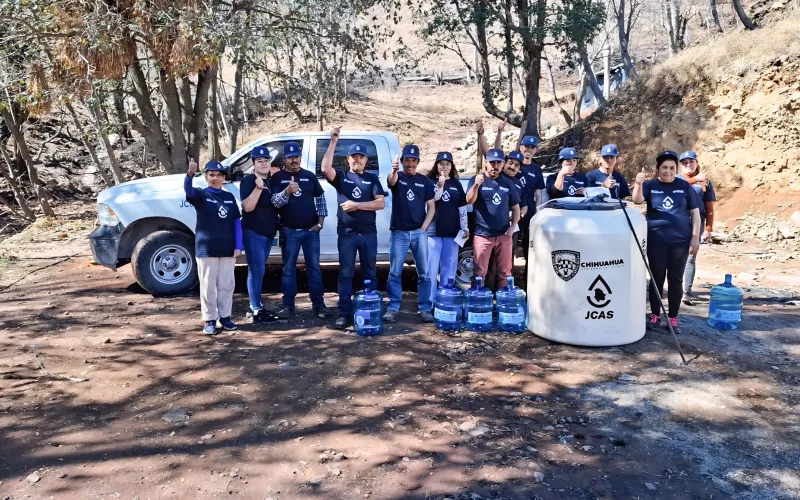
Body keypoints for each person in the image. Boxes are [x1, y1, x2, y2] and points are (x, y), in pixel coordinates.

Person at [320, 128, 386, 329]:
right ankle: (344, 312)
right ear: (348, 159)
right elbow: (325, 168)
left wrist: (357, 205)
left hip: (368, 234)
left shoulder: (373, 179)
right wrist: (333, 143)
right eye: (354, 157)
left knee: (370, 273)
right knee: (346, 274)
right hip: (347, 235)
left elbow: (380, 203)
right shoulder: (341, 177)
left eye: (361, 157)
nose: (357, 160)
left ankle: (370, 308)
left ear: (366, 160)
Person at [632, 150, 701, 333]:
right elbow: (637, 200)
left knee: (676, 279)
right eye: (664, 167)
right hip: (656, 240)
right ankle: (655, 316)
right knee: (656, 279)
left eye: (671, 168)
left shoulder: (685, 186)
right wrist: (638, 184)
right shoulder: (650, 185)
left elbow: (695, 214)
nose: (668, 171)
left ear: (676, 169)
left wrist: (695, 237)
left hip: (680, 242)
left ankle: (673, 318)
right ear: (658, 169)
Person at [270, 141, 331, 319]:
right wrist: (287, 191)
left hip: (311, 232)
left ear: (300, 157)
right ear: (285, 159)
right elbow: (275, 203)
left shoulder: (309, 176)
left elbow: (320, 200)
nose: (294, 160)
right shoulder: (278, 178)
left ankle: (319, 305)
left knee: (314, 269)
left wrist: (319, 224)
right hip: (289, 231)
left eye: (296, 156)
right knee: (288, 269)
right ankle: (288, 306)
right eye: (290, 157)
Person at [184, 159, 243, 335]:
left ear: (224, 177)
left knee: (226, 284)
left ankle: (225, 317)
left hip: (227, 248)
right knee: (208, 285)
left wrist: (238, 245)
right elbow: (188, 191)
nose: (215, 178)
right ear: (206, 177)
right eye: (211, 175)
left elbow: (236, 222)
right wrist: (189, 175)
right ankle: (209, 319)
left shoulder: (229, 197)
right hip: (207, 248)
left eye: (219, 175)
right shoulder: (201, 195)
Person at [384, 144, 436, 323]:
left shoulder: (425, 181)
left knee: (424, 273)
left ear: (418, 162)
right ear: (403, 161)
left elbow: (431, 206)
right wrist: (393, 170)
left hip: (419, 233)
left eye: (413, 160)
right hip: (399, 233)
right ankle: (393, 307)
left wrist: (424, 227)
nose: (410, 164)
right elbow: (391, 182)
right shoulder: (398, 177)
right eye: (407, 160)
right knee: (394, 272)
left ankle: (425, 308)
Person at [466, 148, 521, 289]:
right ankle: (478, 303)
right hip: (482, 235)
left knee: (505, 272)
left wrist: (513, 226)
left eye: (498, 162)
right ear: (486, 163)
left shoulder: (508, 182)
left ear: (503, 164)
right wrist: (476, 185)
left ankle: (503, 302)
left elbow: (516, 207)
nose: (495, 166)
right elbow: (469, 201)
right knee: (480, 273)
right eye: (492, 162)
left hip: (504, 235)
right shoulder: (476, 179)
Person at [240, 145, 281, 324]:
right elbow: (247, 207)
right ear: (254, 163)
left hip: (267, 234)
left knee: (260, 270)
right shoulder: (249, 181)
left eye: (266, 160)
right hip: (254, 232)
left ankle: (257, 306)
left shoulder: (270, 182)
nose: (263, 163)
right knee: (256, 271)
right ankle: (256, 310)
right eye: (259, 161)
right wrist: (258, 188)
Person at [426, 151, 468, 304]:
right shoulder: (429, 182)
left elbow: (462, 207)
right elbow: (435, 198)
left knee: (449, 266)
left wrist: (465, 227)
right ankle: (429, 301)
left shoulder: (456, 184)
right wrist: (440, 184)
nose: (444, 167)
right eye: (441, 164)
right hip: (433, 231)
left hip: (452, 231)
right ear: (436, 165)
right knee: (431, 267)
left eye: (447, 164)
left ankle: (445, 297)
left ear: (452, 166)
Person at [485, 150, 528, 290]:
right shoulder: (495, 176)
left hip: (511, 229)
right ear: (504, 163)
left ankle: (503, 294)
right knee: (491, 266)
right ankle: (489, 295)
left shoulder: (518, 184)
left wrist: (516, 218)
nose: (512, 167)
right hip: (491, 229)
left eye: (516, 165)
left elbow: (524, 206)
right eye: (510, 163)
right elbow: (490, 153)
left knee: (507, 265)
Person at [678, 150, 716, 306]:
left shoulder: (705, 182)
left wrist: (708, 228)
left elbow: (709, 206)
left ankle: (686, 292)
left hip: (697, 222)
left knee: (690, 256)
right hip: (677, 221)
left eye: (691, 162)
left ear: (696, 163)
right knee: (673, 256)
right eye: (684, 162)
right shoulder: (675, 178)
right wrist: (695, 179)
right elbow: (675, 186)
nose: (688, 164)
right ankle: (673, 288)